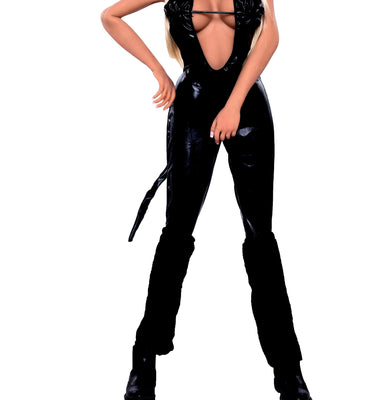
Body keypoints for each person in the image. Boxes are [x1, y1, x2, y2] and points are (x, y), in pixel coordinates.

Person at [101, 0, 313, 399]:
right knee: (176, 233)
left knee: (260, 236)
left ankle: (288, 368)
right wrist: (159, 71)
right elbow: (110, 16)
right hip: (192, 107)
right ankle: (144, 357)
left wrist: (233, 105)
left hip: (247, 108)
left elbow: (270, 37)